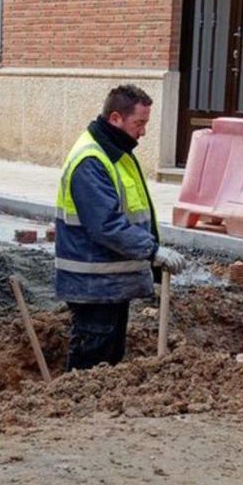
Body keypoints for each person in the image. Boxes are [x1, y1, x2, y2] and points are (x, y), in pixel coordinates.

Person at [53, 84, 187, 370]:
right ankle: (77, 411)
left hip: (111, 281)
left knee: (110, 359)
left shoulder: (116, 151)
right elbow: (106, 224)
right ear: (116, 118)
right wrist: (152, 251)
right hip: (93, 283)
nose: (143, 132)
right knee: (91, 360)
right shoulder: (91, 160)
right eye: (139, 123)